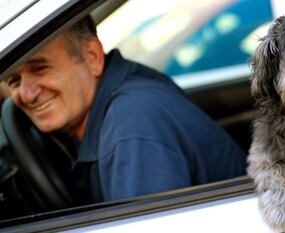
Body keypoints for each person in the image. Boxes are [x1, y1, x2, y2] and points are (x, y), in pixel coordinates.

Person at [4, 16, 246, 203]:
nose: (27, 94)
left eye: (40, 69)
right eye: (14, 81)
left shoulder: (131, 125)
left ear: (92, 57)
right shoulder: (120, 100)